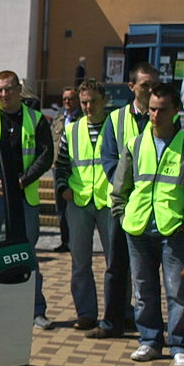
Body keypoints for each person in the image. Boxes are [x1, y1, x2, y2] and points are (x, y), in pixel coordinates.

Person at [111, 83, 184, 366]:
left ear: (176, 111)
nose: (155, 115)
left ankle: (180, 346)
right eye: (152, 109)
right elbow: (120, 187)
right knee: (143, 289)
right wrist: (121, 215)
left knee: (178, 290)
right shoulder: (135, 143)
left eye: (162, 110)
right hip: (138, 228)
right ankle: (150, 341)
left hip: (173, 231)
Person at [0, 70, 54, 329]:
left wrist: (23, 180)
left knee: (26, 255)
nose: (4, 94)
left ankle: (35, 310)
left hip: (23, 197)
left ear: (19, 89)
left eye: (8, 89)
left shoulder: (36, 119)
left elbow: (45, 155)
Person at [87, 62, 159, 339]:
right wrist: (128, 189)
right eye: (146, 85)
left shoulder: (166, 117)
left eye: (155, 84)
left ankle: (148, 327)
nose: (151, 90)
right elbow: (108, 160)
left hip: (154, 207)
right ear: (132, 87)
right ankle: (112, 323)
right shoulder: (115, 119)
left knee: (149, 271)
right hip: (122, 206)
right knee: (116, 267)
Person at [53, 80, 112, 331]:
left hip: (109, 201)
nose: (88, 107)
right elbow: (61, 164)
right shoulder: (73, 129)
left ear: (104, 101)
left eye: (92, 102)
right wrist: (62, 189)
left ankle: (119, 312)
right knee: (80, 262)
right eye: (84, 102)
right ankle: (86, 313)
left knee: (117, 263)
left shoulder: (116, 127)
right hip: (78, 202)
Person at [50, 86, 81, 253]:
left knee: (75, 208)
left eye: (71, 99)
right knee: (60, 207)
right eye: (65, 99)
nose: (67, 102)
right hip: (58, 168)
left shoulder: (81, 119)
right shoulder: (59, 118)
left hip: (75, 169)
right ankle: (65, 241)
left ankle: (76, 241)